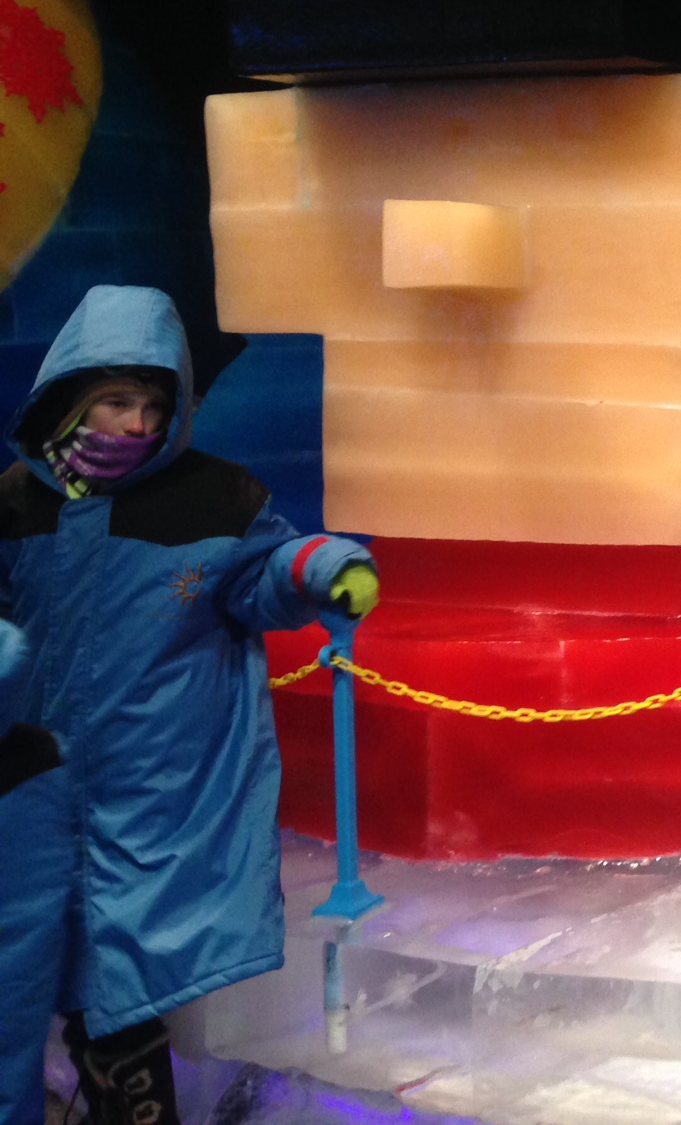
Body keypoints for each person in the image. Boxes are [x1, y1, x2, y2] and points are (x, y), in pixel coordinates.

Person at [0, 285, 378, 1125]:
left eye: (155, 406)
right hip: (38, 782)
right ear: (72, 396)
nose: (137, 424)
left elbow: (263, 575)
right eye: (117, 402)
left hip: (159, 781)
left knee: (124, 973)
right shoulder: (18, 501)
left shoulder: (216, 496)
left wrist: (323, 568)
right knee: (47, 967)